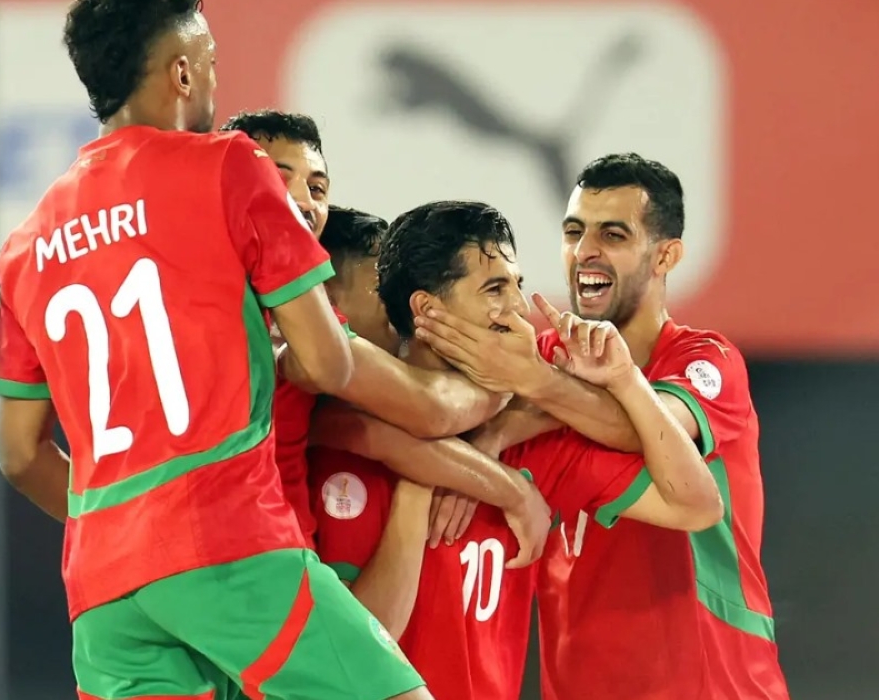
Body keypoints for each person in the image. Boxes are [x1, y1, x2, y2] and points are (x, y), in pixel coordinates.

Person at [0, 2, 430, 698]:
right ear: (184, 73)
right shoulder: (228, 166)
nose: (218, 84)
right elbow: (327, 364)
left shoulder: (25, 246)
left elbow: (17, 454)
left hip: (103, 585)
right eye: (214, 63)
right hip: (226, 540)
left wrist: (125, 524)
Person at [308, 200, 724, 699]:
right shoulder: (343, 451)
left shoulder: (533, 446)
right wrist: (420, 484)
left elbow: (696, 504)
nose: (518, 309)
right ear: (426, 309)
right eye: (494, 289)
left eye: (517, 285)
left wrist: (620, 379)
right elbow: (355, 656)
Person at [415, 154, 791, 699]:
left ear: (666, 255)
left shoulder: (705, 361)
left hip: (714, 684)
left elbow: (645, 428)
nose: (585, 251)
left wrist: (533, 392)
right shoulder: (541, 357)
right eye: (574, 231)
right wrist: (490, 435)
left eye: (613, 234)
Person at [220, 112, 550, 554]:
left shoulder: (292, 327)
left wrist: (502, 421)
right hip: (243, 572)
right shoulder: (289, 336)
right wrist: (507, 380)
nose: (303, 200)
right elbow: (424, 411)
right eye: (383, 292)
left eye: (317, 187)